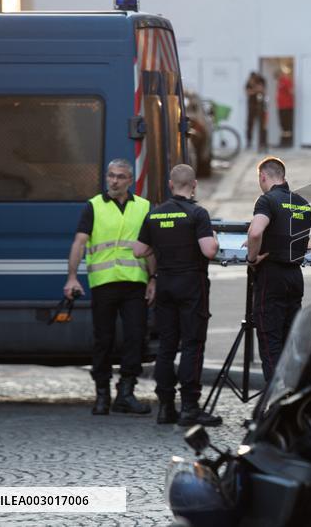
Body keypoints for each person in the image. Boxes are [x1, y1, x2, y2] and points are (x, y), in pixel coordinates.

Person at [63, 158, 154, 416]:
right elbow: (79, 243)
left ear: (130, 180)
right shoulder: (94, 206)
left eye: (120, 177)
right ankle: (102, 394)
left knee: (135, 338)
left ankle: (126, 393)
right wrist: (72, 277)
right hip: (104, 284)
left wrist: (154, 279)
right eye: (110, 176)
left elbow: (149, 247)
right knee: (103, 339)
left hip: (135, 284)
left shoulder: (143, 207)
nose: (114, 181)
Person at [133, 164, 221, 427]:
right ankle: (190, 408)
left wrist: (160, 247)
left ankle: (166, 407)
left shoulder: (155, 214)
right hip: (192, 285)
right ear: (193, 185)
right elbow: (209, 251)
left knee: (167, 348)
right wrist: (213, 236)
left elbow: (138, 250)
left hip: (165, 285)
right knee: (193, 345)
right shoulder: (198, 213)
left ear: (171, 185)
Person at [246, 157, 311, 381]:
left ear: (263, 176)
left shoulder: (267, 200)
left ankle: (273, 404)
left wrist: (253, 257)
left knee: (270, 342)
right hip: (295, 277)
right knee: (289, 343)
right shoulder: (303, 203)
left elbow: (255, 232)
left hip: (271, 277)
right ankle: (290, 401)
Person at [245, 71, 268, 151]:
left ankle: (263, 144)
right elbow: (248, 92)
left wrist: (255, 89)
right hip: (252, 106)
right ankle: (249, 141)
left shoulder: (261, 80)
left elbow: (262, 90)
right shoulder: (248, 83)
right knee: (250, 124)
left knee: (262, 126)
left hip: (260, 107)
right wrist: (256, 89)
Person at [276, 68, 295, 148]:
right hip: (281, 106)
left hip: (287, 106)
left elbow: (291, 91)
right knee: (282, 125)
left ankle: (287, 142)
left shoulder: (286, 81)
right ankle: (283, 141)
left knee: (287, 125)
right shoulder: (280, 81)